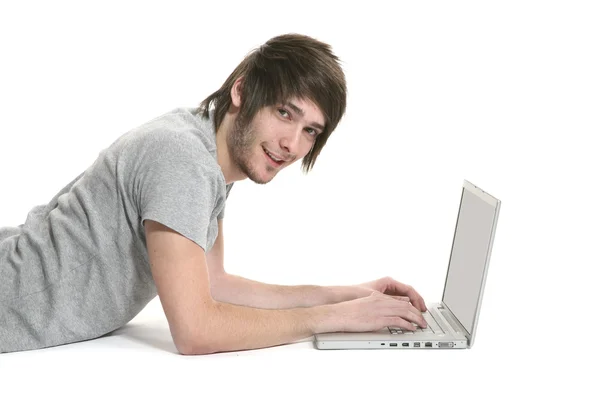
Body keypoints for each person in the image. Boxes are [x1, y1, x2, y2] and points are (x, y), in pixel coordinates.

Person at [0, 33, 427, 355]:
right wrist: (335, 319)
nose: (292, 144)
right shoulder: (182, 158)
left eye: (310, 131)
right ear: (241, 92)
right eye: (284, 113)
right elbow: (196, 330)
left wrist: (347, 294)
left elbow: (214, 284)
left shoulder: (207, 155)